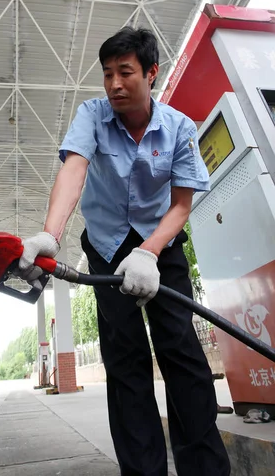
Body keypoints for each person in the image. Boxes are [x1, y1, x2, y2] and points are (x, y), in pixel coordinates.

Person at [17, 27, 231, 476]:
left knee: (181, 350)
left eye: (126, 72)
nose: (114, 83)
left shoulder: (178, 128)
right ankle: (142, 470)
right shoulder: (92, 116)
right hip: (106, 246)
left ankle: (206, 468)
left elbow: (181, 205)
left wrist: (151, 252)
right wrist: (50, 237)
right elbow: (74, 170)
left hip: (162, 246)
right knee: (125, 357)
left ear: (151, 73)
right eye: (108, 73)